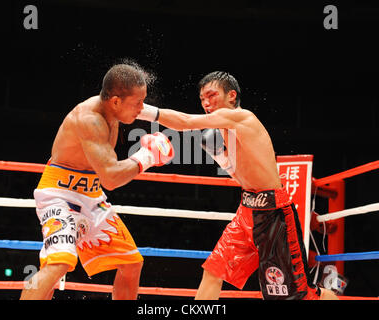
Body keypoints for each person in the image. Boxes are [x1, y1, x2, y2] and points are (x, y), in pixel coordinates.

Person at [136, 71, 338, 300]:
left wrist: (141, 110)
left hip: (273, 216)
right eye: (202, 98)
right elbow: (243, 178)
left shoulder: (243, 118)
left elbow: (186, 122)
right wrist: (221, 158)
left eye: (211, 95)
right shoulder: (225, 132)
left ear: (232, 96)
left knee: (298, 296)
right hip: (246, 211)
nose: (206, 103)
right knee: (213, 272)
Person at [20, 62, 175, 300]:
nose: (142, 108)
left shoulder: (119, 105)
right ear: (115, 101)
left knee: (131, 263)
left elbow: (180, 120)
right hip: (59, 193)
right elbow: (111, 178)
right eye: (138, 103)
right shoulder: (89, 119)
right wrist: (147, 157)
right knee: (59, 263)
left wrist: (206, 123)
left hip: (91, 195)